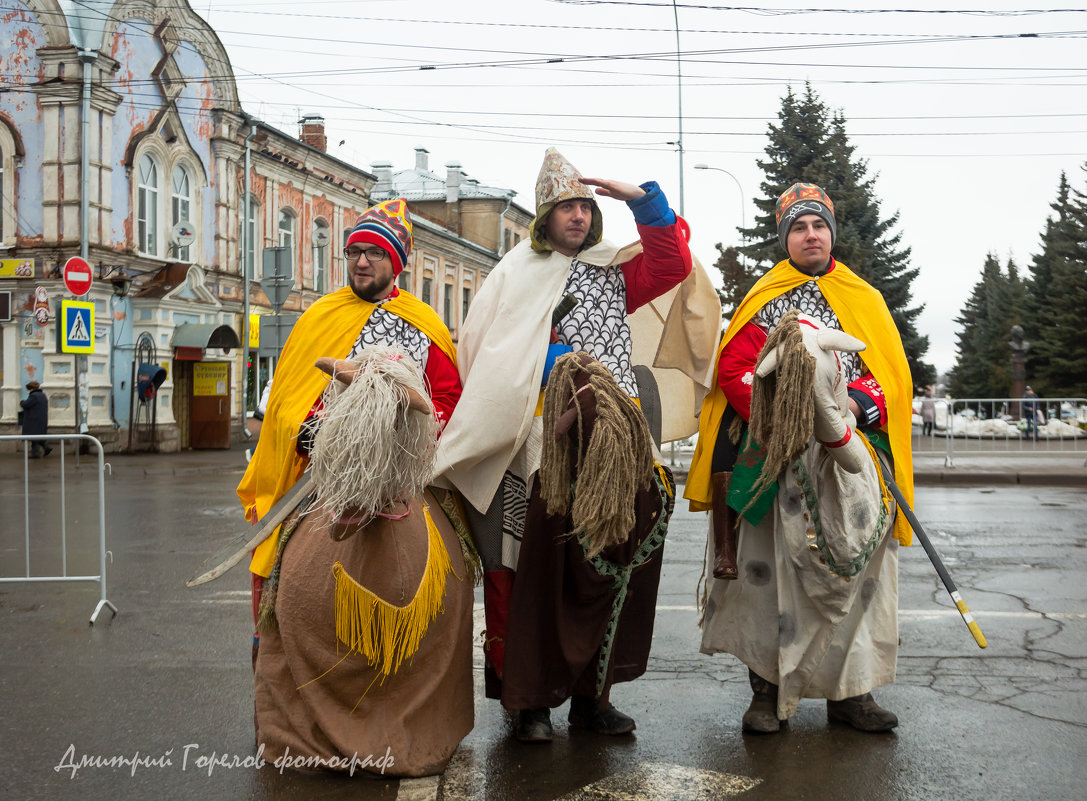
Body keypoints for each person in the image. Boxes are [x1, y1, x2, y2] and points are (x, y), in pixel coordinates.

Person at [434, 147, 719, 743]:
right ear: (544, 215)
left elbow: (670, 267)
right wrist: (560, 364)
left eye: (584, 207)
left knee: (610, 569)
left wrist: (646, 203)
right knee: (527, 572)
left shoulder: (614, 271)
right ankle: (528, 703)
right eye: (566, 207)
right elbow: (495, 354)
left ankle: (595, 698)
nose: (578, 217)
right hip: (539, 444)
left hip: (616, 441)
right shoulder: (515, 272)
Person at [685, 182, 914, 734]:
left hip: (851, 456)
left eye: (818, 226)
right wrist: (780, 414)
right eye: (798, 228)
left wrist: (854, 409)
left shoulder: (863, 298)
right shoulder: (765, 297)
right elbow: (736, 369)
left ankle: (852, 694)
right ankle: (766, 693)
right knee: (765, 580)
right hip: (772, 457)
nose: (810, 235)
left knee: (859, 580)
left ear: (831, 234)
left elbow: (890, 377)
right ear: (785, 237)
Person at [237, 198, 462, 665]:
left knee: (462, 549)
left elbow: (447, 399)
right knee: (277, 546)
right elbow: (286, 398)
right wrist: (311, 432)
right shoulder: (319, 316)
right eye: (354, 251)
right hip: (321, 471)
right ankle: (273, 655)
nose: (362, 261)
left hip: (406, 470)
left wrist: (402, 432)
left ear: (396, 262)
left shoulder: (425, 326)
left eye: (375, 252)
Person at [20, 381, 51, 458]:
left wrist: (21, 402)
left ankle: (35, 454)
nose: (29, 391)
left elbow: (26, 404)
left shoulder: (34, 396)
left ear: (32, 389)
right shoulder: (42, 395)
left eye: (29, 389)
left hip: (34, 420)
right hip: (41, 420)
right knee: (38, 436)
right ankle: (46, 448)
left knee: (34, 437)